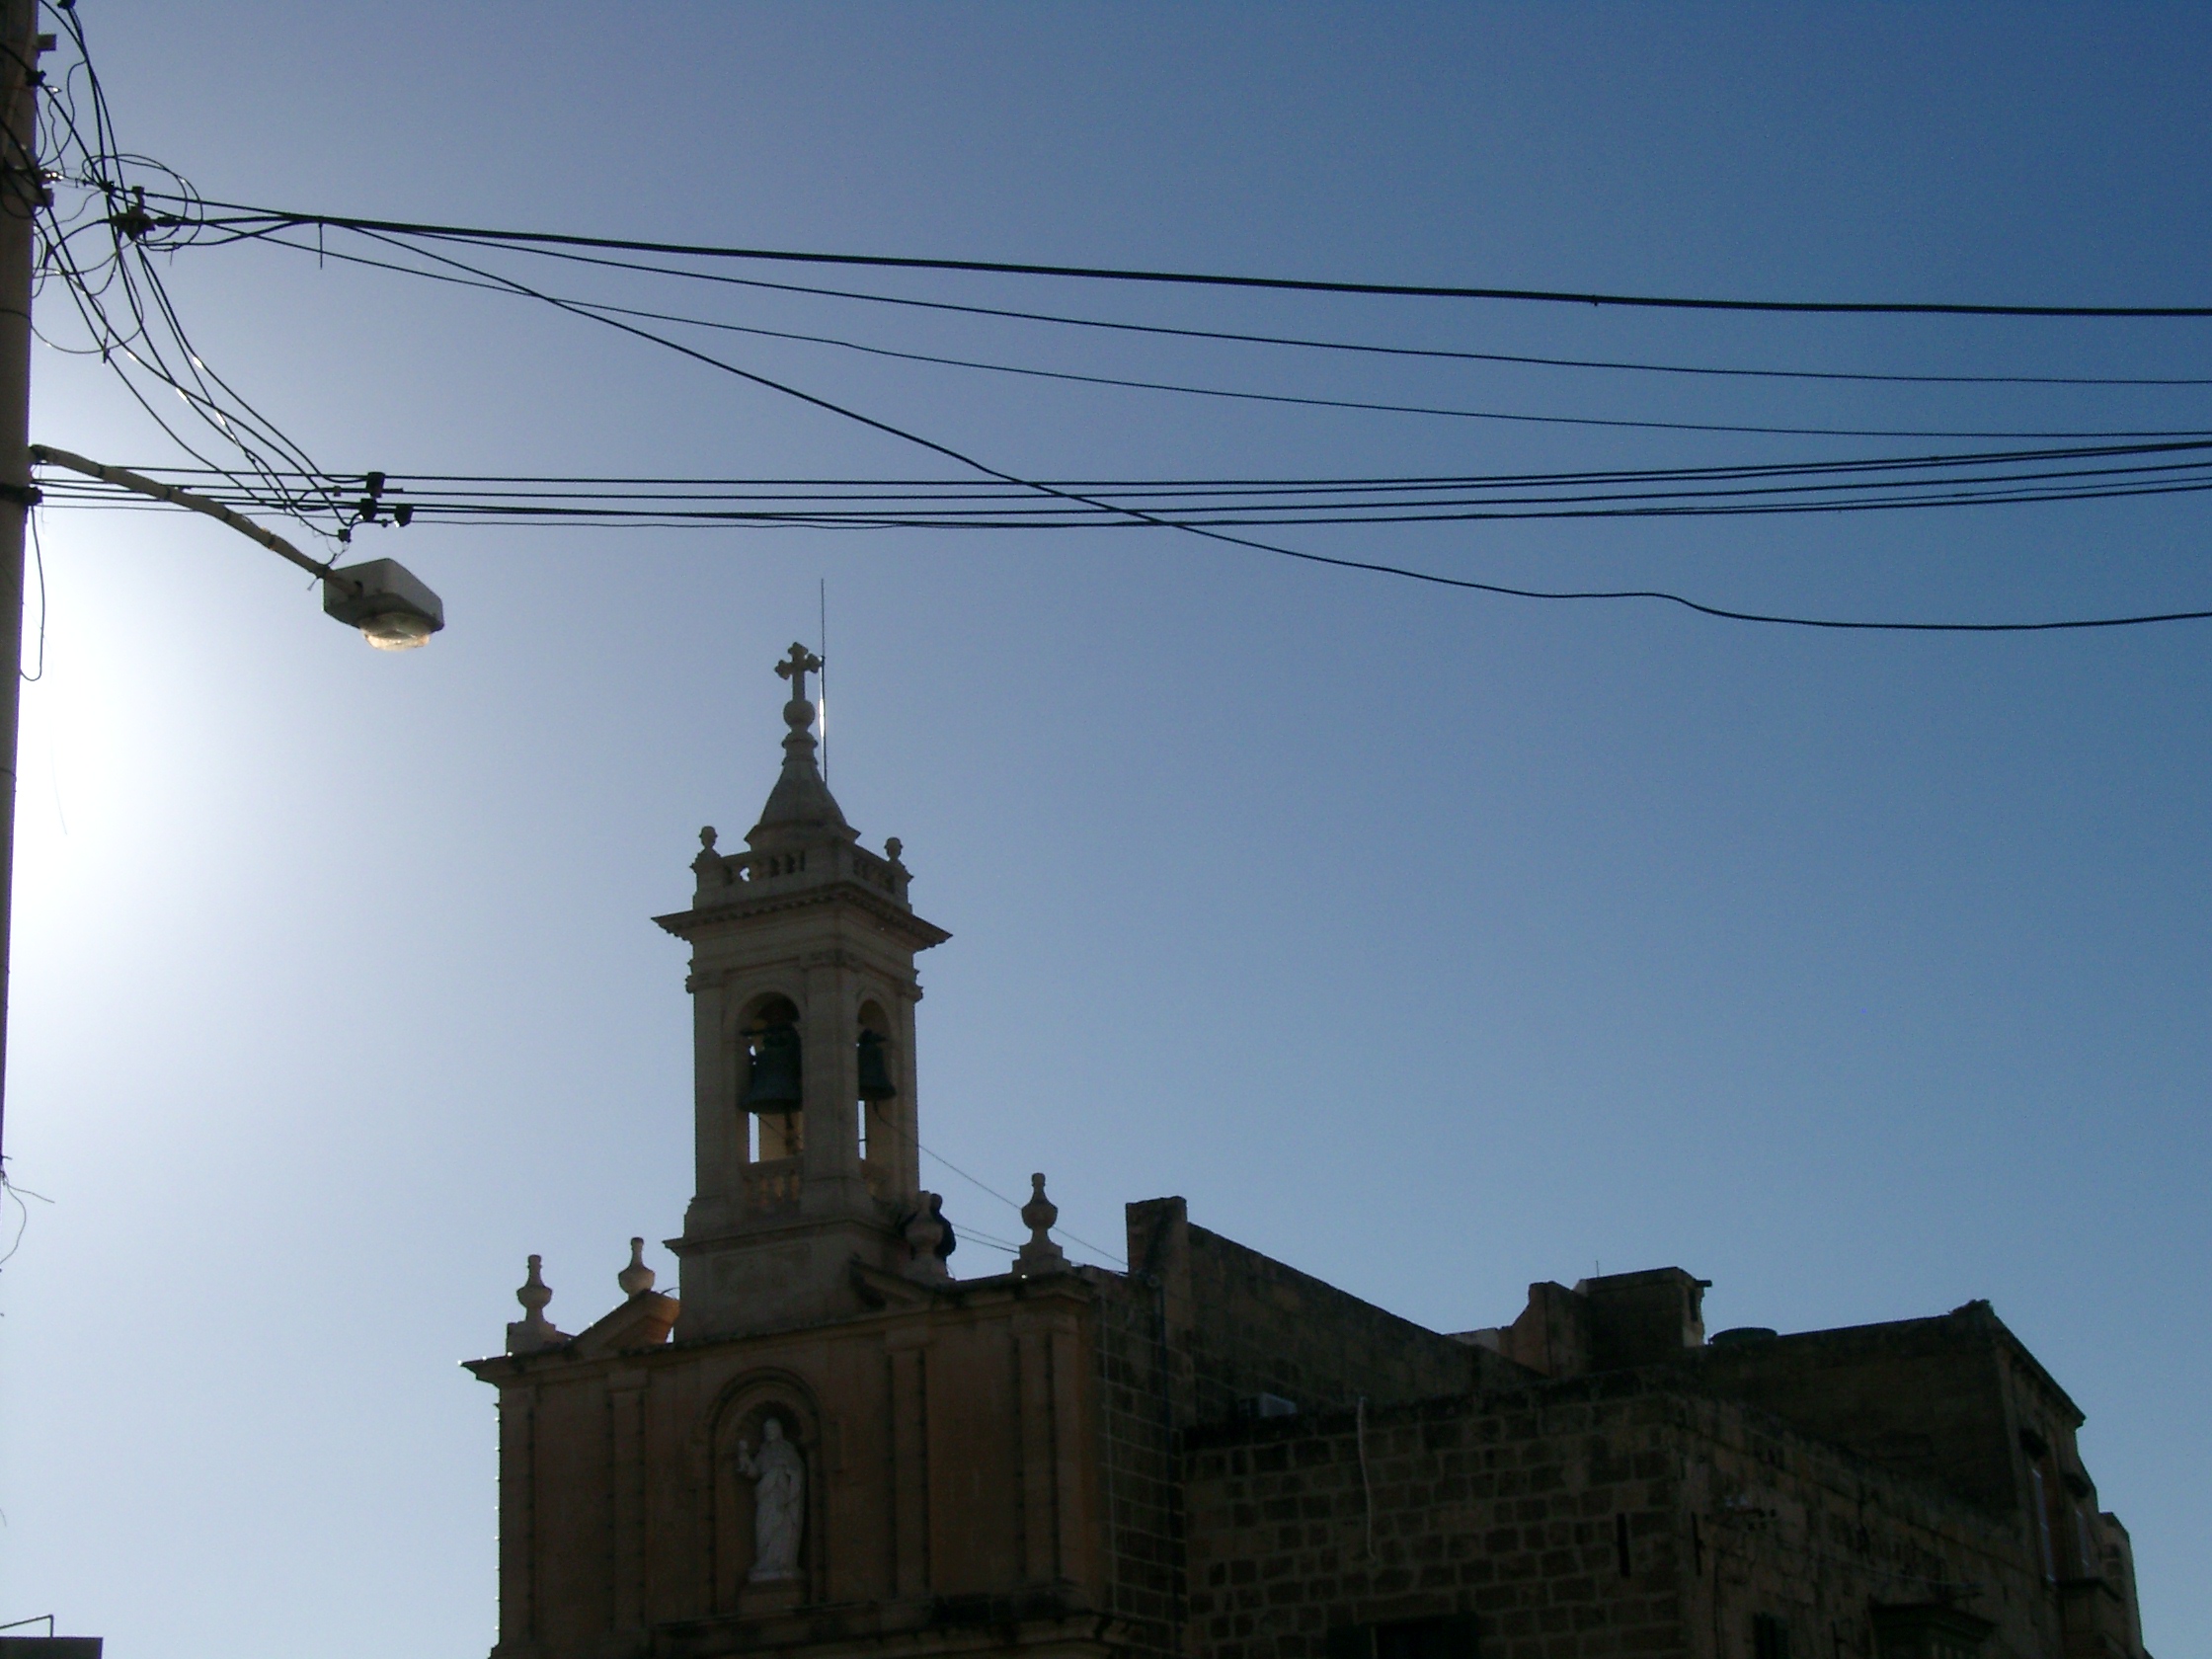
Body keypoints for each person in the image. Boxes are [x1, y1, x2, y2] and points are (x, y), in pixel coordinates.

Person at [736, 1416, 804, 1581]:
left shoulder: (788, 1450)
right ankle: (766, 1561)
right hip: (766, 1497)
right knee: (764, 1529)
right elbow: (754, 1472)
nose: (769, 1432)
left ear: (779, 1431)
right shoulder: (764, 1453)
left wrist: (784, 1470)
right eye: (767, 1430)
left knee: (781, 1528)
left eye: (772, 1429)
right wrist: (743, 1454)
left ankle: (782, 1561)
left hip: (781, 1498)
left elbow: (797, 1473)